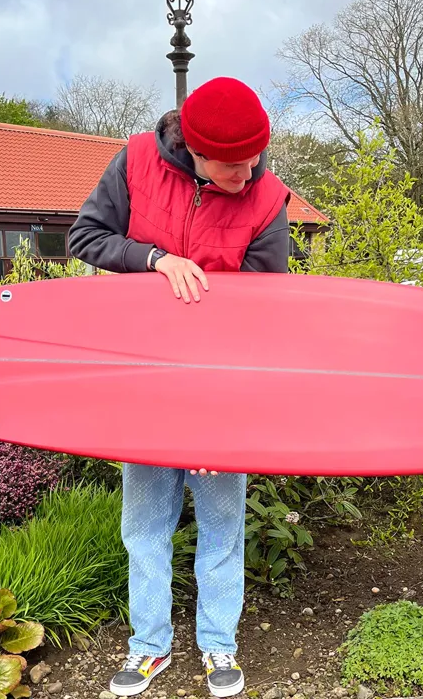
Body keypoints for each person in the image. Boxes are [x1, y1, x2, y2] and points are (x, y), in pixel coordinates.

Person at [67, 76, 291, 698]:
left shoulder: (267, 199)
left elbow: (264, 313)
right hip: (144, 382)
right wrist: (154, 259)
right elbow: (86, 237)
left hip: (219, 390)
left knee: (222, 528)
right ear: (194, 150)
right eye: (231, 166)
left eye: (254, 160)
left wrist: (226, 415)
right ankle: (149, 646)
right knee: (144, 527)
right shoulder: (138, 160)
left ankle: (219, 644)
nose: (247, 175)